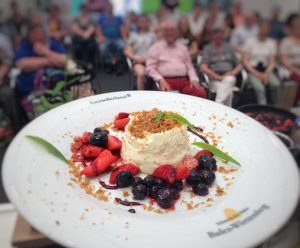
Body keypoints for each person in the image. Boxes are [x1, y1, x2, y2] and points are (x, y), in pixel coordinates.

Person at [14, 24, 67, 122]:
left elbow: (64, 61)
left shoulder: (53, 43)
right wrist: (49, 61)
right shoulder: (25, 45)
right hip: (31, 90)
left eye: (39, 33)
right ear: (29, 36)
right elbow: (22, 64)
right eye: (33, 34)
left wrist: (46, 52)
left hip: (57, 88)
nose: (37, 36)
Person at [146, 21, 206, 98]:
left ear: (176, 32)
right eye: (167, 30)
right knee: (169, 99)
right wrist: (160, 80)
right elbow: (150, 68)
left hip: (184, 81)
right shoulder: (155, 48)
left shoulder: (182, 48)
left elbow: (190, 67)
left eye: (172, 30)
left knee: (200, 93)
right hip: (166, 80)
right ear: (162, 32)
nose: (170, 33)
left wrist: (194, 79)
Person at [200, 29, 243, 106]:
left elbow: (239, 64)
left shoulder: (228, 47)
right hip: (214, 77)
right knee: (228, 93)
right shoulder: (208, 48)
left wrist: (233, 72)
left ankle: (217, 106)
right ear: (212, 37)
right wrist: (217, 77)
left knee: (229, 80)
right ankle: (228, 111)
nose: (218, 38)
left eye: (220, 36)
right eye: (216, 36)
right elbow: (203, 67)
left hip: (229, 75)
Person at [243, 20, 281, 105]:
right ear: (259, 29)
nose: (265, 31)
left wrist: (266, 74)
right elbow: (245, 61)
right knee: (259, 88)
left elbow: (272, 61)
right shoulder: (250, 42)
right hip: (253, 70)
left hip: (266, 70)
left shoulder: (271, 43)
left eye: (267, 29)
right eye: (263, 28)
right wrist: (256, 73)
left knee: (276, 84)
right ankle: (262, 108)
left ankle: (276, 106)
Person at [124, 15, 156, 90]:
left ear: (148, 23)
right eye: (141, 21)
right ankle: (140, 96)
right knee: (141, 73)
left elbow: (157, 49)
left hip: (151, 60)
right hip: (138, 60)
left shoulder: (152, 35)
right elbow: (126, 50)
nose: (143, 23)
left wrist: (149, 59)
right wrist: (135, 58)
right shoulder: (133, 35)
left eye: (145, 21)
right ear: (137, 23)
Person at [96, 2, 126, 74]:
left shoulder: (118, 18)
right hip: (106, 38)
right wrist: (100, 37)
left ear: (113, 8)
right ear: (106, 8)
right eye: (108, 7)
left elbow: (122, 29)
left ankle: (117, 62)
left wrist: (124, 38)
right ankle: (110, 62)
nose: (109, 9)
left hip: (117, 38)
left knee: (122, 46)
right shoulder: (102, 18)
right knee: (102, 48)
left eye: (111, 7)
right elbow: (98, 29)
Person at [280, 14, 300, 106]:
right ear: (292, 28)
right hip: (290, 68)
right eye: (297, 27)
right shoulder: (286, 41)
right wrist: (296, 70)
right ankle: (293, 104)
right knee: (297, 79)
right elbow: (284, 61)